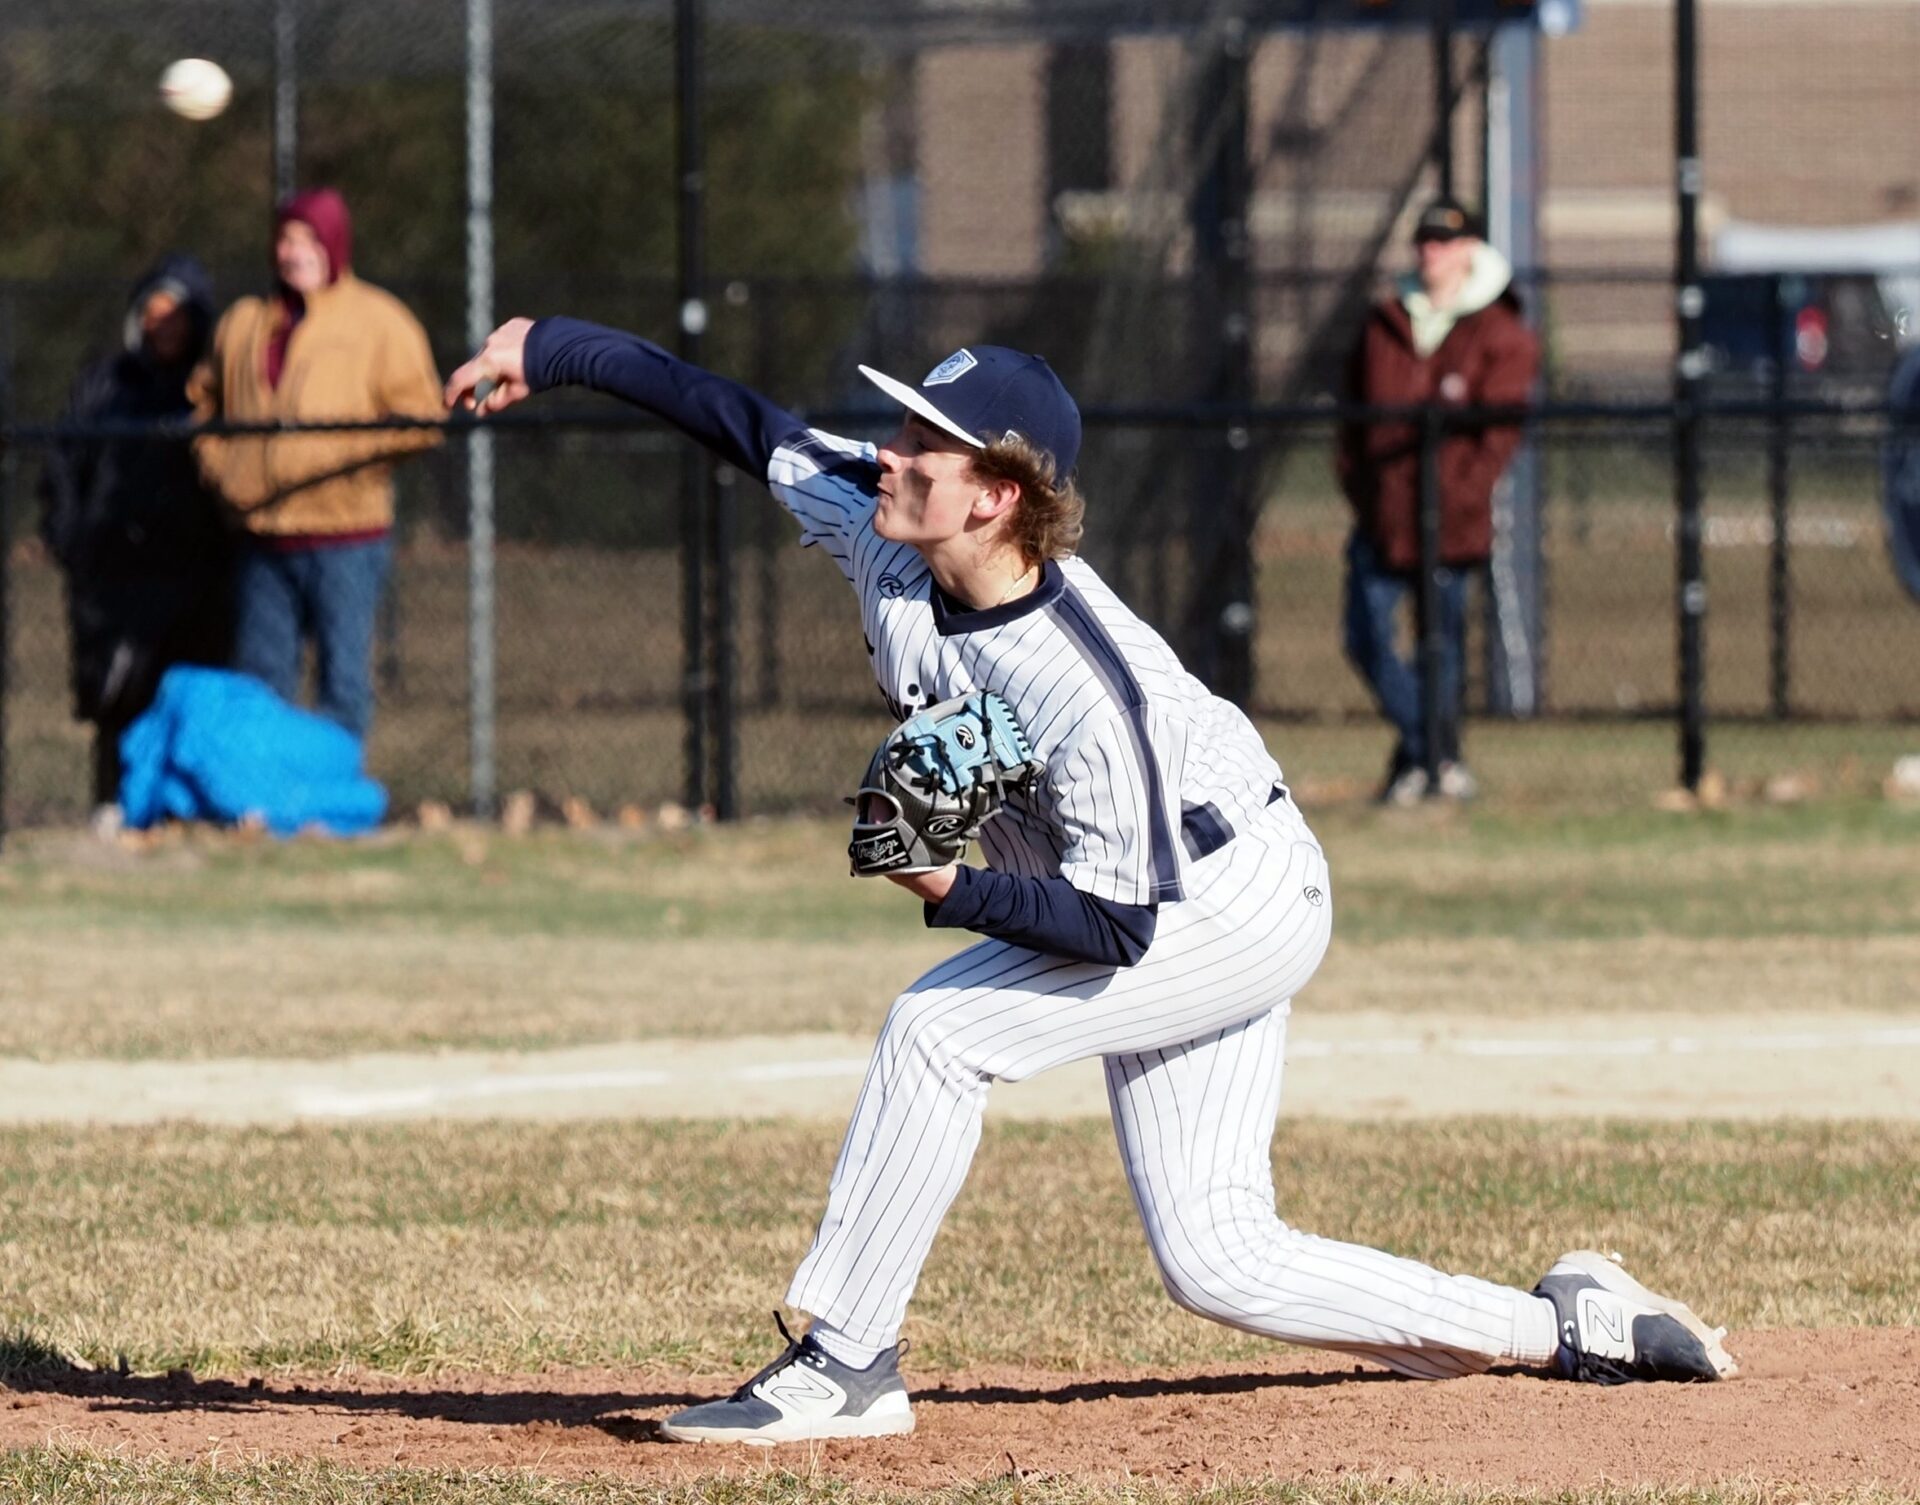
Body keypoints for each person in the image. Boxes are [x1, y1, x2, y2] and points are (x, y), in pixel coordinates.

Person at [446, 317, 1734, 1446]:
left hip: (1220, 897)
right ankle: (1571, 1325)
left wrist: (948, 886)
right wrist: (550, 346)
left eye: (926, 441)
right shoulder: (884, 526)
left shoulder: (1076, 678)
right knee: (1219, 1256)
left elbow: (1115, 924)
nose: (891, 449)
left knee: (939, 1028)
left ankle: (846, 1361)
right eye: (902, 423)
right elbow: (740, 419)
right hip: (1164, 881)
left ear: (996, 496)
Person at [188, 187, 443, 740]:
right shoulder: (244, 323)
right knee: (259, 683)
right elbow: (202, 405)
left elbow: (422, 416)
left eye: (308, 239)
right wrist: (224, 470)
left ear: (335, 244)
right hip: (262, 535)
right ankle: (263, 807)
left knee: (344, 684)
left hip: (345, 534)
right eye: (285, 239)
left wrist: (342, 458)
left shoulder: (379, 321)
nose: (293, 252)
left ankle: (332, 805)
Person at [1337, 196, 1539, 805]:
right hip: (1382, 517)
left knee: (1440, 647)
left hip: (1451, 524)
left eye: (1445, 242)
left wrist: (1460, 494)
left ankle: (1418, 764)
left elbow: (1497, 435)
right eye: (1424, 241)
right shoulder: (1385, 322)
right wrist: (1364, 489)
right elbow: (1351, 421)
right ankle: (1436, 754)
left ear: (1470, 250)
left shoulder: (1500, 332)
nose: (1432, 252)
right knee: (1366, 637)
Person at [38, 254, 232, 812]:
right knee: (118, 700)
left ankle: (184, 809)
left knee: (190, 698)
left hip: (196, 580)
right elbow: (61, 467)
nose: (163, 324)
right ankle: (114, 809)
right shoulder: (104, 383)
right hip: (113, 580)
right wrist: (71, 540)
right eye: (153, 310)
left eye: (178, 313)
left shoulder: (207, 388)